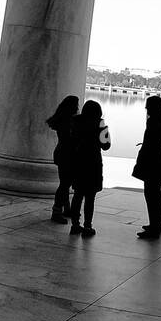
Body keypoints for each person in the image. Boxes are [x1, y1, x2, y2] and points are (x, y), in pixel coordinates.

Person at [133, 95, 161, 240]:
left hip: (150, 161)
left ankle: (154, 226)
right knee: (155, 194)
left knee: (150, 194)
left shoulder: (152, 122)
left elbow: (149, 143)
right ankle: (157, 223)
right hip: (159, 160)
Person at [68, 100, 111, 238]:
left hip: (78, 160)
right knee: (90, 197)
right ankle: (87, 226)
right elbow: (106, 145)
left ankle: (75, 224)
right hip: (93, 162)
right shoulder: (100, 124)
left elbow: (71, 139)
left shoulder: (75, 121)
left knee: (77, 194)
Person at [46, 95, 79, 224]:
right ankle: (57, 210)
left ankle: (65, 208)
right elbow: (71, 139)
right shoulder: (69, 122)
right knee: (65, 184)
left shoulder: (62, 120)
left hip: (62, 153)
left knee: (65, 183)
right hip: (67, 154)